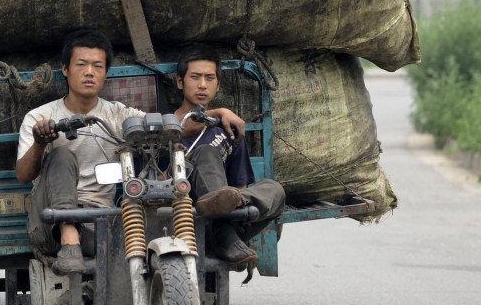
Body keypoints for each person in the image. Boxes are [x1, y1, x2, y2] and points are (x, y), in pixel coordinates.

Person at [18, 29, 145, 275]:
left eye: (98, 66)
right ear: (65, 69)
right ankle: (68, 236)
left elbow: (164, 125)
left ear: (106, 72)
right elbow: (23, 175)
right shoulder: (40, 117)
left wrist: (215, 113)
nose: (89, 72)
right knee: (62, 154)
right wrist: (40, 143)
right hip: (49, 224)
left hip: (97, 222)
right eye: (81, 64)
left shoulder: (118, 115)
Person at [172, 43, 285, 268]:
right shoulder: (167, 125)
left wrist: (237, 199)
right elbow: (179, 127)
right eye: (195, 77)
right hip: (187, 217)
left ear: (218, 85)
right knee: (206, 153)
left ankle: (224, 227)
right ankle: (222, 234)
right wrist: (221, 111)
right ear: (179, 82)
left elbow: (240, 183)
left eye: (210, 78)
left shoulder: (228, 130)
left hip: (232, 213)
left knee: (275, 190)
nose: (203, 85)